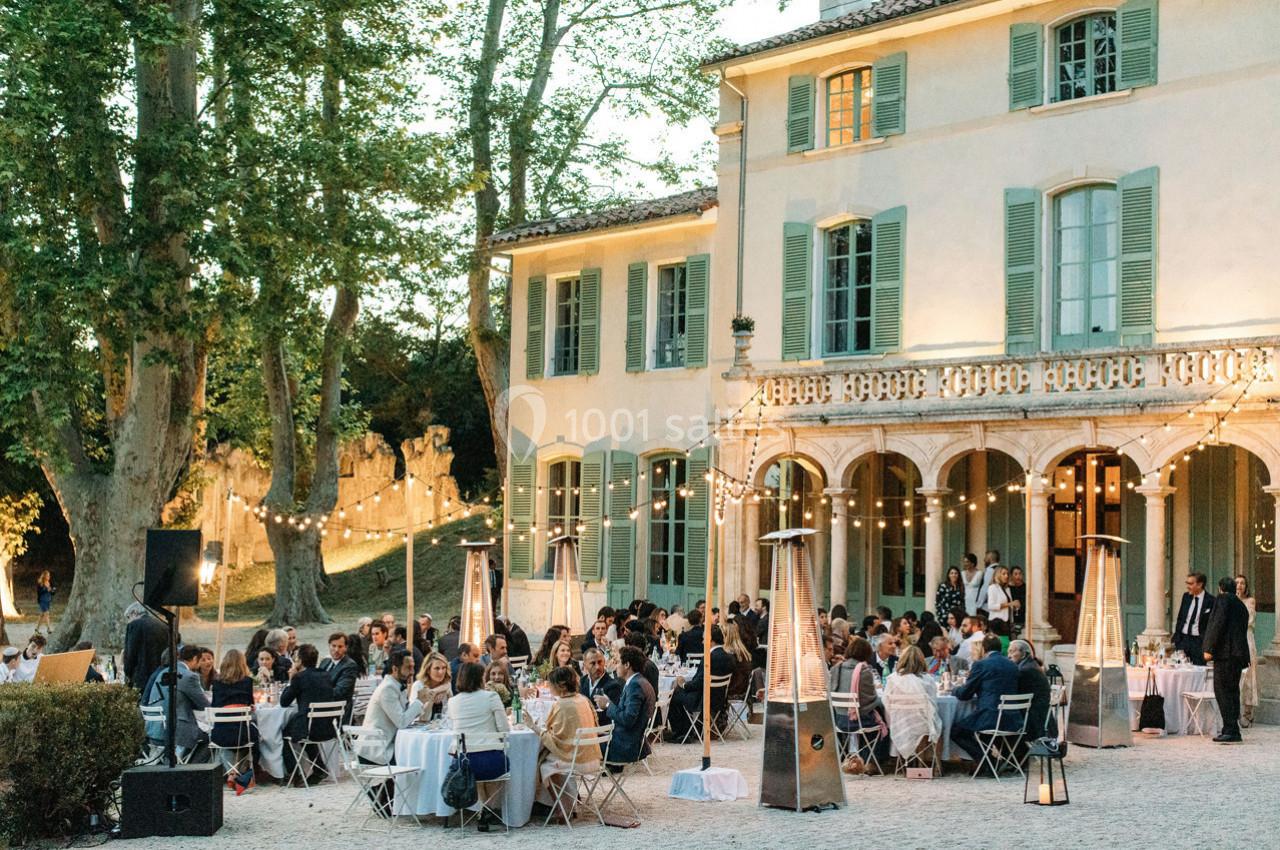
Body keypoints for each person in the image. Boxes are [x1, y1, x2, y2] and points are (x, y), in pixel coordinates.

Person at [447, 661, 511, 830]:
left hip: (465, 764)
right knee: (492, 768)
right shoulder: (491, 697)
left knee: (477, 770)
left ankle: (485, 809)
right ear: (480, 679)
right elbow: (504, 729)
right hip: (493, 761)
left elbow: (451, 728)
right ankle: (490, 809)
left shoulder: (453, 702)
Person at [534, 665, 598, 818]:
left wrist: (533, 727)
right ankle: (570, 803)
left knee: (544, 765)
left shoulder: (561, 705)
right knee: (549, 759)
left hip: (577, 760)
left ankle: (562, 808)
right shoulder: (583, 699)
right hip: (592, 757)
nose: (549, 687)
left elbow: (554, 739)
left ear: (561, 686)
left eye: (551, 684)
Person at [950, 635, 1020, 770]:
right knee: (974, 730)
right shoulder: (1012, 665)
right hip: (1013, 717)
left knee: (956, 731)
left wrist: (954, 690)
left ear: (984, 648)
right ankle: (990, 762)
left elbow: (965, 694)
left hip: (991, 716)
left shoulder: (981, 664)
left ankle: (988, 763)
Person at [279, 643, 338, 784]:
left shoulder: (300, 677)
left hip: (309, 728)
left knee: (283, 733)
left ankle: (295, 774)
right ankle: (319, 769)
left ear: (299, 660)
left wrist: (291, 679)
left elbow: (284, 702)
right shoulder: (326, 675)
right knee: (308, 723)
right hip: (328, 727)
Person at [826, 636, 890, 765]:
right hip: (857, 721)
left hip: (839, 720)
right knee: (882, 716)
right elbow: (870, 699)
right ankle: (873, 761)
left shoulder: (835, 669)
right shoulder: (864, 671)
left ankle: (858, 759)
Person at [1202, 576, 1251, 743]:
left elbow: (1217, 624)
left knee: (1222, 691)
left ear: (1220, 588)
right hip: (1238, 654)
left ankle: (1230, 729)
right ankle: (1232, 728)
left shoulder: (1223, 600)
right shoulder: (1240, 605)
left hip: (1226, 654)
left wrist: (1209, 648)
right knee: (1232, 692)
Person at [356, 649, 424, 766]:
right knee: (417, 758)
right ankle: (395, 784)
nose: (413, 672)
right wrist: (419, 700)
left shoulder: (396, 686)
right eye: (408, 668)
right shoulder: (387, 689)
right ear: (395, 669)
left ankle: (389, 785)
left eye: (413, 667)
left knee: (417, 753)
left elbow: (407, 715)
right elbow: (402, 722)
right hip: (375, 752)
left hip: (386, 745)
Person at [666, 626, 734, 742]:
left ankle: (681, 733)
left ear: (710, 640)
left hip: (703, 699)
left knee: (674, 694)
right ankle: (687, 729)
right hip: (720, 699)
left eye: (704, 639)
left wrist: (684, 684)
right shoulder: (729, 657)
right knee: (681, 693)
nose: (702, 642)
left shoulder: (709, 658)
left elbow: (699, 683)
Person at [144, 644, 211, 762]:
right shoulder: (189, 676)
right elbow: (203, 705)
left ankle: (185, 763)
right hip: (175, 730)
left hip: (154, 729)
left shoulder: (163, 672)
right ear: (195, 658)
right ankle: (192, 770)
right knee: (213, 736)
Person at [594, 646, 656, 768]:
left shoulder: (635, 686)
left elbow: (628, 719)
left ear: (627, 664)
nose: (615, 666)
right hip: (631, 742)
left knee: (579, 747)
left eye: (617, 662)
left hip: (625, 747)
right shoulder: (641, 681)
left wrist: (607, 704)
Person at [883, 645, 939, 760]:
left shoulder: (892, 679)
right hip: (922, 723)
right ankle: (934, 765)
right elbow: (933, 704)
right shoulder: (928, 680)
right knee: (940, 725)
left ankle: (905, 764)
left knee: (918, 723)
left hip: (899, 723)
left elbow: (886, 703)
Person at [210, 649, 259, 757]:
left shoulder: (217, 682)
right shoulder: (247, 681)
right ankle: (249, 769)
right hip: (243, 734)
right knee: (258, 733)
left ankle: (231, 770)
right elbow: (250, 704)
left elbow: (214, 706)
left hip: (220, 734)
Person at [1007, 640, 1053, 739]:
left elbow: (1012, 693)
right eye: (1008, 652)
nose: (1009, 656)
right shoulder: (1029, 665)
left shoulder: (1025, 670)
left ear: (1023, 654)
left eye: (1012, 652)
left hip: (1033, 719)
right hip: (1039, 716)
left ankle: (1017, 753)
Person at [123, 602, 169, 692]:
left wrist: (127, 672)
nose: (128, 621)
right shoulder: (163, 625)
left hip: (141, 677)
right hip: (161, 675)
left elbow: (130, 654)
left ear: (134, 613)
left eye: (128, 617)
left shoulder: (134, 625)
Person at [1173, 572, 1215, 666]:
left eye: (1191, 584)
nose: (1187, 586)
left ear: (1200, 584)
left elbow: (1211, 624)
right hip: (1183, 639)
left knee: (1198, 669)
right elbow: (1181, 617)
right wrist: (1177, 639)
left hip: (1198, 642)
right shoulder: (1186, 597)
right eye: (1187, 583)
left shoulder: (1211, 601)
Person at [1234, 575, 1258, 726]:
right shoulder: (1231, 600)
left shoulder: (1250, 601)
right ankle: (1235, 712)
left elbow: (1247, 620)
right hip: (1234, 639)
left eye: (1242, 583)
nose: (1240, 586)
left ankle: (1247, 714)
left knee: (1249, 675)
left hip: (1246, 638)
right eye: (1237, 583)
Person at [319, 633, 360, 717]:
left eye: (340, 647)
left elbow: (339, 692)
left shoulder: (350, 665)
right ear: (329, 646)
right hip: (321, 706)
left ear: (346, 648)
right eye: (333, 646)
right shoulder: (325, 662)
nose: (336, 650)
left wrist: (317, 694)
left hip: (338, 710)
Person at [579, 648, 622, 724]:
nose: (597, 667)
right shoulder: (582, 681)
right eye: (592, 663)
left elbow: (613, 714)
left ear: (604, 662)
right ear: (585, 665)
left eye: (600, 662)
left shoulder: (613, 685)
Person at [411, 651, 453, 719]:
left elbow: (450, 714)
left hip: (441, 727)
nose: (441, 672)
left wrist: (449, 693)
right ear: (428, 670)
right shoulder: (418, 686)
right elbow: (420, 718)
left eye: (443, 668)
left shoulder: (447, 684)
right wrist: (433, 695)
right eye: (437, 668)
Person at [721, 621, 754, 700]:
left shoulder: (729, 655)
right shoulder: (743, 652)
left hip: (731, 692)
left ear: (725, 636)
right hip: (743, 692)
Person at [975, 550, 1001, 615]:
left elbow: (985, 589)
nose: (984, 560)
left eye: (986, 558)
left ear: (990, 558)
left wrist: (978, 605)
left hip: (987, 608)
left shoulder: (990, 570)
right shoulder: (1001, 570)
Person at [34, 570, 54, 634]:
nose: (49, 577)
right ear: (44, 576)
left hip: (48, 600)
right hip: (42, 600)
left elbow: (52, 592)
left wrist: (52, 590)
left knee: (42, 615)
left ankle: (36, 629)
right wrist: (46, 589)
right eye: (47, 575)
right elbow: (39, 592)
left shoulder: (49, 583)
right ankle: (48, 628)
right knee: (46, 614)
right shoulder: (40, 583)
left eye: (49, 575)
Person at [1008, 566, 1027, 632]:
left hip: (1023, 617)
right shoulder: (1008, 588)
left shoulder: (1026, 587)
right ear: (1011, 576)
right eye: (1015, 574)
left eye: (1020, 574)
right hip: (1012, 617)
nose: (1018, 576)